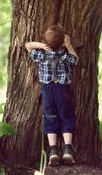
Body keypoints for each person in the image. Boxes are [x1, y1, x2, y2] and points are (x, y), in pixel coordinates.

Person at [25, 25, 79, 166]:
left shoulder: (41, 55)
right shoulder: (65, 56)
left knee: (50, 118)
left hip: (48, 90)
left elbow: (27, 45)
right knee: (66, 116)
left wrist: (42, 45)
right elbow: (75, 59)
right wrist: (68, 44)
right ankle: (67, 149)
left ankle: (53, 151)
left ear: (46, 43)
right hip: (63, 90)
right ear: (62, 42)